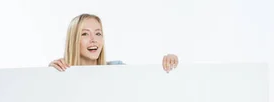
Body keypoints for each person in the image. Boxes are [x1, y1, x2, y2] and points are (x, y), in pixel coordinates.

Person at [48, 13, 179, 72]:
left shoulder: (117, 69)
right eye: (85, 34)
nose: (94, 39)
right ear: (74, 41)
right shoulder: (60, 72)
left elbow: (145, 85)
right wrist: (48, 76)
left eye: (98, 33)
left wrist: (168, 65)